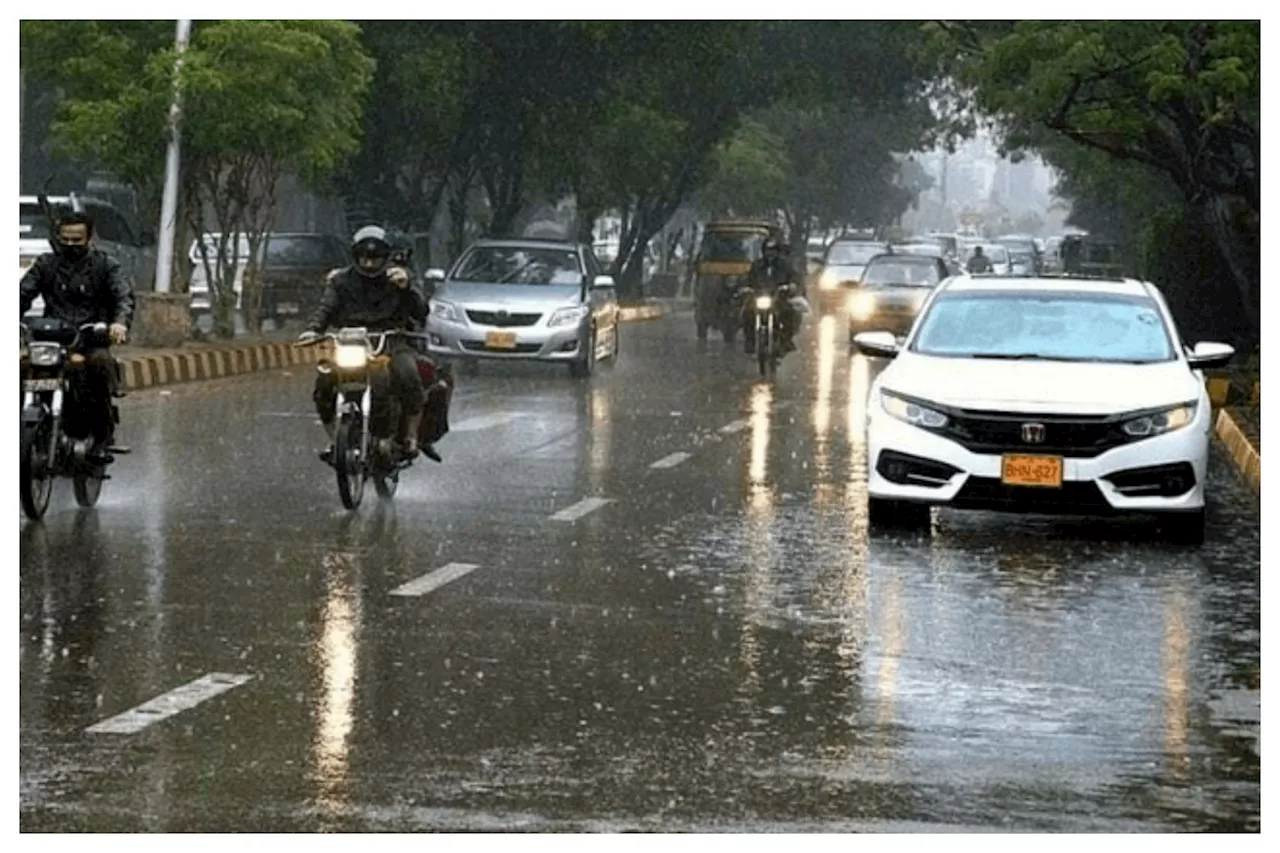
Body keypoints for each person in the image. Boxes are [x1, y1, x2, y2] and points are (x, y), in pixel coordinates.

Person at [300, 225, 435, 463]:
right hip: (350, 344)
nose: (370, 264)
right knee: (324, 383)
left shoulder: (399, 279)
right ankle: (334, 440)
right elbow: (325, 309)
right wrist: (313, 330)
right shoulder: (340, 281)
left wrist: (407, 288)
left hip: (392, 343)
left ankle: (410, 436)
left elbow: (421, 312)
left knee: (408, 374)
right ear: (356, 257)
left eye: (375, 259)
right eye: (365, 258)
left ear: (385, 258)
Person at [20, 209, 133, 459]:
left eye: (77, 240)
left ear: (89, 239)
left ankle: (102, 438)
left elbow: (122, 296)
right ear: (58, 238)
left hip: (90, 339)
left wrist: (119, 323)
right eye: (65, 240)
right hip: (50, 340)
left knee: (100, 365)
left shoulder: (106, 265)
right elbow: (22, 294)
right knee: (20, 366)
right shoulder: (45, 264)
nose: (70, 245)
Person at [743, 235, 802, 354]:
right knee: (747, 313)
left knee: (790, 313)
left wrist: (791, 285)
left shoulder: (785, 265)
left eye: (773, 250)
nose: (770, 253)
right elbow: (748, 279)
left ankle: (786, 340)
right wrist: (745, 288)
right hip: (759, 298)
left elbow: (795, 278)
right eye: (768, 250)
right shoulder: (756, 265)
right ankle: (750, 340)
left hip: (779, 298)